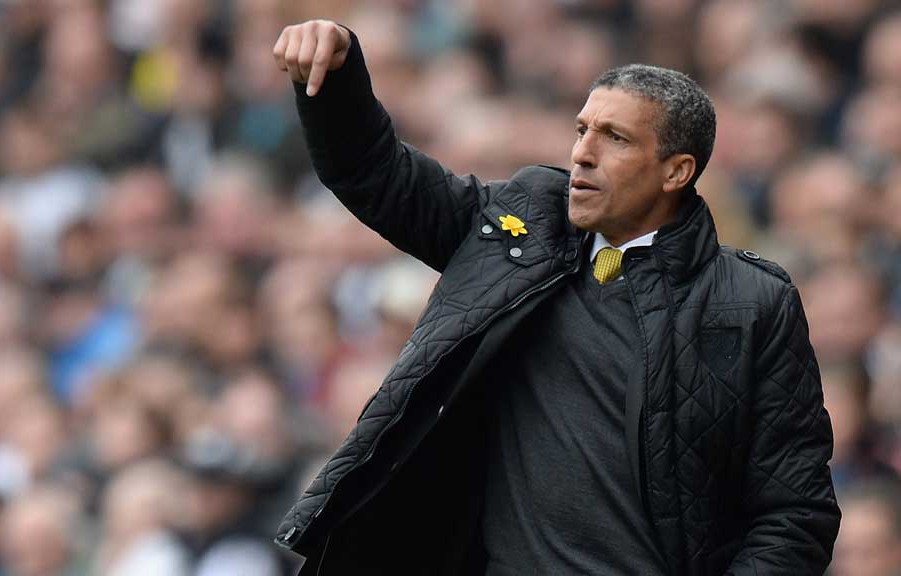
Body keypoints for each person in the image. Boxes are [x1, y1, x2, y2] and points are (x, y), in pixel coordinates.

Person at [271, 20, 840, 575]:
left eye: (615, 138)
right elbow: (376, 173)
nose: (583, 154)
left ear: (676, 172)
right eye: (581, 130)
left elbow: (794, 513)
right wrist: (336, 78)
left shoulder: (750, 303)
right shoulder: (514, 228)